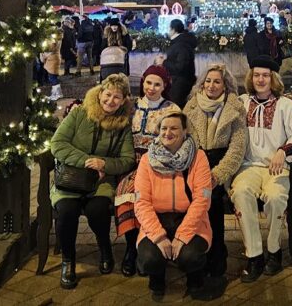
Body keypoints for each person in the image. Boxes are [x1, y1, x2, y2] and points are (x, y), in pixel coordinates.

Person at [232, 56, 292, 282]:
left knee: (276, 197)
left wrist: (283, 150)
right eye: (257, 75)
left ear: (273, 78)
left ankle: (274, 250)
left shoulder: (285, 105)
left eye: (265, 75)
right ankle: (254, 255)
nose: (261, 79)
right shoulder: (241, 102)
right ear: (251, 77)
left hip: (276, 167)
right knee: (241, 193)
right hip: (248, 167)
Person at [50, 74, 136, 289]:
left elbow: (126, 160)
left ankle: (104, 247)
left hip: (100, 181)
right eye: (108, 94)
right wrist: (87, 161)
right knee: (67, 211)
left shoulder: (122, 125)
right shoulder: (80, 113)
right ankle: (68, 261)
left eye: (117, 97)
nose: (111, 101)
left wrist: (103, 164)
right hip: (70, 178)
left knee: (98, 209)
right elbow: (58, 144)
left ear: (124, 100)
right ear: (100, 93)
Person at [133, 112, 213, 297]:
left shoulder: (198, 157)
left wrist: (182, 236)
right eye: (164, 128)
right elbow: (142, 202)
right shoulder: (147, 159)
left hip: (190, 218)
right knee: (149, 259)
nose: (168, 132)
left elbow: (202, 200)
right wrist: (159, 237)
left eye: (174, 128)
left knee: (189, 256)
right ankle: (157, 278)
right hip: (157, 218)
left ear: (185, 131)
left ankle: (195, 278)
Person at [182, 64, 248, 278]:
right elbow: (186, 143)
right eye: (208, 81)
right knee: (191, 201)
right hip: (196, 164)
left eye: (217, 81)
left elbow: (237, 148)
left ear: (225, 85)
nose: (211, 85)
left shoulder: (234, 109)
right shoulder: (190, 107)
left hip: (222, 167)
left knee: (214, 203)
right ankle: (196, 254)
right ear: (202, 84)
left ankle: (217, 255)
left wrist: (218, 175)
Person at [115, 65, 181, 276]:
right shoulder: (130, 106)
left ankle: (152, 244)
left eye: (157, 84)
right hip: (130, 163)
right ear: (142, 82)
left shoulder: (171, 109)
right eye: (148, 82)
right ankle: (131, 248)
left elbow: (177, 141)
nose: (151, 88)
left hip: (159, 166)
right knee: (127, 193)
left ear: (165, 86)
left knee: (151, 195)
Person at [164, 19, 197, 106]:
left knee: (176, 108)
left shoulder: (181, 44)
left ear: (173, 29)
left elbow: (180, 67)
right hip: (180, 83)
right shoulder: (181, 42)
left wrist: (164, 62)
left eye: (169, 28)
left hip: (180, 84)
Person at [40, 35, 63, 100]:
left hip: (52, 60)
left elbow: (51, 48)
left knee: (52, 78)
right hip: (54, 59)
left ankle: (57, 94)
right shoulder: (57, 38)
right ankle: (56, 93)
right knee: (53, 77)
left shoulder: (54, 39)